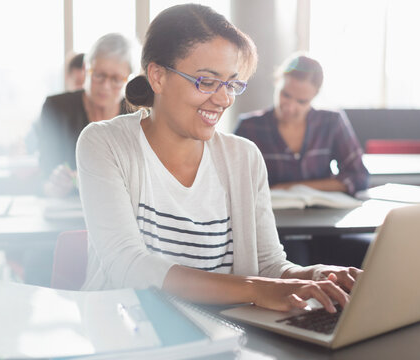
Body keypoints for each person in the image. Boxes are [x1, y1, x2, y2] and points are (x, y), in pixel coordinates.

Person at [76, 4, 361, 313]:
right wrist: (255, 289)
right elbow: (127, 264)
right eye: (207, 82)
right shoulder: (105, 143)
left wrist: (313, 275)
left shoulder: (244, 157)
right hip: (128, 331)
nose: (224, 99)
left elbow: (268, 265)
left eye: (231, 84)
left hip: (227, 333)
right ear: (157, 76)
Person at [235, 54, 369, 195]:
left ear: (314, 96)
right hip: (267, 214)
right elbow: (230, 182)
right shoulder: (249, 127)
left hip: (322, 214)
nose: (290, 107)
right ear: (277, 83)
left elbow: (359, 176)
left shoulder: (331, 122)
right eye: (285, 95)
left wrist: (292, 188)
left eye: (301, 101)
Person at [38, 33, 136, 198]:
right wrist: (54, 186)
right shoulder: (56, 109)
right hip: (67, 208)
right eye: (99, 75)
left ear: (128, 79)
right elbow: (44, 178)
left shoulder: (136, 115)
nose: (105, 86)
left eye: (117, 79)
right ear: (85, 69)